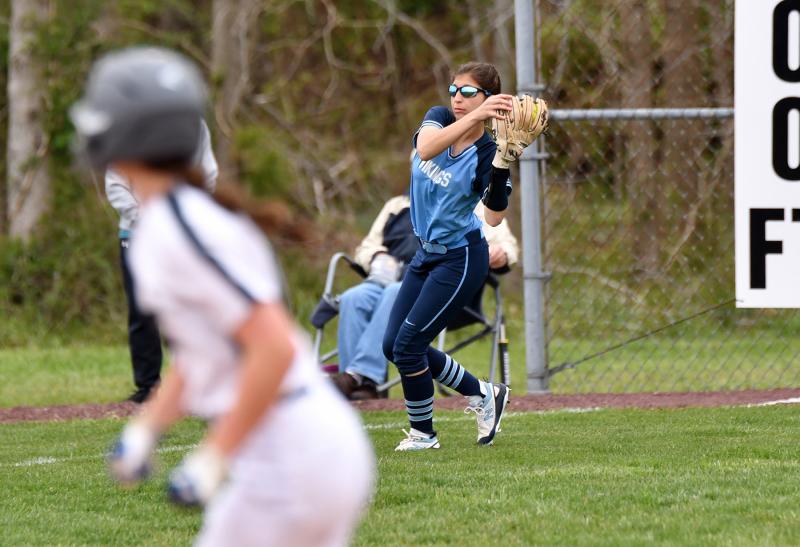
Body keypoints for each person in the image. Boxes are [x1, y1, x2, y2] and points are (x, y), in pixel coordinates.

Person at [70, 47, 374, 546]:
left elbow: (272, 349)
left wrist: (213, 455)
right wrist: (147, 429)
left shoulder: (175, 229)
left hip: (293, 455)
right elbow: (204, 350)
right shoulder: (179, 219)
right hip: (305, 450)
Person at [383, 61, 538, 451]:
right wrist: (478, 113)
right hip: (426, 254)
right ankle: (485, 394)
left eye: (469, 93)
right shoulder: (436, 120)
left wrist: (502, 165)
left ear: (488, 98)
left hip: (460, 258)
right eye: (454, 90)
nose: (457, 98)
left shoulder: (487, 152)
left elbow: (494, 215)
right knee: (394, 346)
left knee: (408, 346)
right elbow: (425, 148)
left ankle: (424, 435)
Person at [330, 195, 519, 400]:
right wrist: (377, 257)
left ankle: (356, 377)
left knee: (395, 294)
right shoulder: (397, 205)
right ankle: (360, 387)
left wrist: (502, 253)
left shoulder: (473, 204)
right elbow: (367, 247)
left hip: (440, 288)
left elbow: (507, 247)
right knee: (354, 297)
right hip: (387, 278)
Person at [107, 119, 218, 404]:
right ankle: (148, 385)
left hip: (185, 231)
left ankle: (198, 379)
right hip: (137, 233)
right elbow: (116, 183)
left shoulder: (195, 126)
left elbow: (208, 171)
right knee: (142, 310)